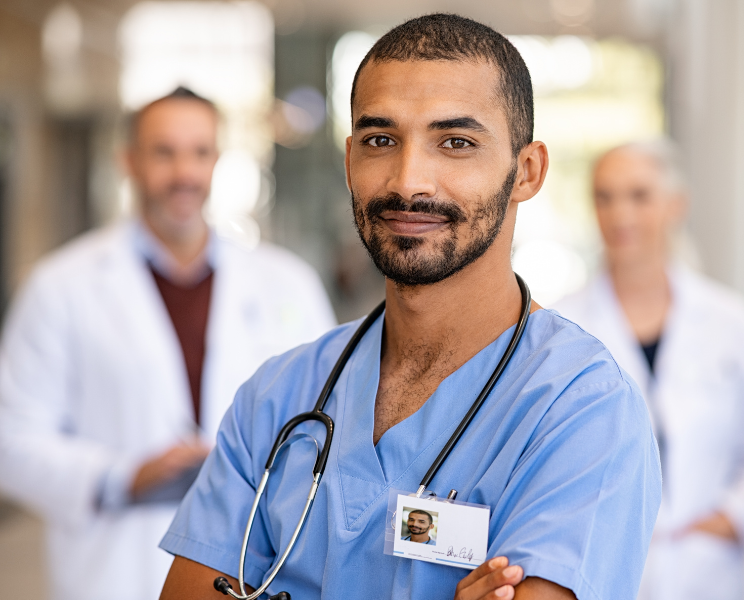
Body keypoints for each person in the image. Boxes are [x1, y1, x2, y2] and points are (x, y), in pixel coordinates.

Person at [158, 14, 660, 600]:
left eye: (455, 142)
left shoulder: (581, 408)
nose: (408, 180)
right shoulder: (279, 397)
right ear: (349, 161)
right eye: (380, 140)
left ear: (526, 171)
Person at [0, 87, 336, 600]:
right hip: (113, 569)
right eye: (164, 151)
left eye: (199, 152)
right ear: (128, 161)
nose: (184, 173)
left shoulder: (287, 283)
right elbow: (11, 440)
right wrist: (122, 476)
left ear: (216, 161)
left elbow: (331, 425)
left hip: (256, 565)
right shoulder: (60, 287)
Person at [554, 141, 744, 600]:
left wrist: (732, 518)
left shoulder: (733, 324)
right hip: (604, 569)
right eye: (605, 196)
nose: (620, 214)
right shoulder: (562, 328)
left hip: (708, 573)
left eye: (639, 196)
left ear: (676, 205)